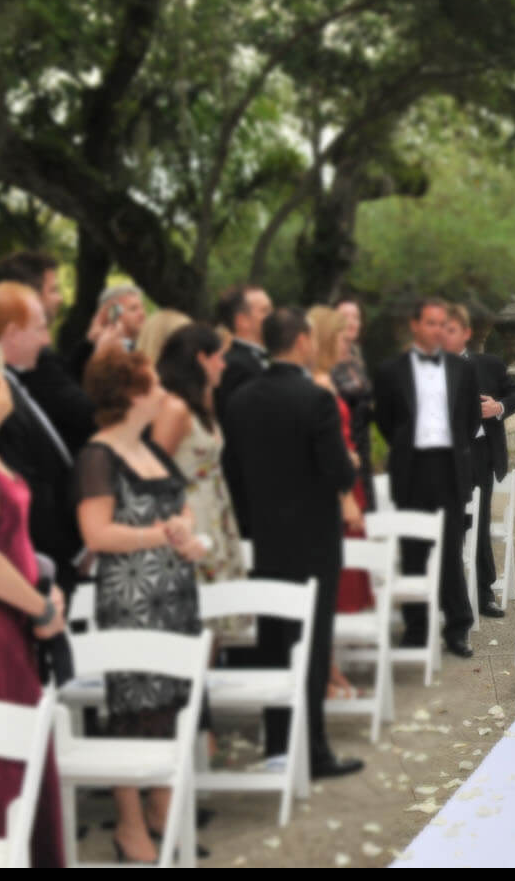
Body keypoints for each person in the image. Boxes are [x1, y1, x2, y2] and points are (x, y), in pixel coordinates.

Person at [74, 346, 207, 864]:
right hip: (130, 600)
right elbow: (97, 533)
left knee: (170, 704)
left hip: (174, 595)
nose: (163, 396)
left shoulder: (152, 449)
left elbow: (184, 509)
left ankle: (162, 812)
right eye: (153, 387)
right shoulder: (97, 454)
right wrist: (160, 535)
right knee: (132, 708)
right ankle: (130, 826)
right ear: (129, 395)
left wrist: (187, 533)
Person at [221, 307, 363, 780]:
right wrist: (349, 465)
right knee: (313, 643)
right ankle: (315, 750)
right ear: (302, 341)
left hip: (263, 539)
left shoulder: (240, 399)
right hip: (314, 540)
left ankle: (278, 743)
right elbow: (337, 473)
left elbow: (233, 474)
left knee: (273, 643)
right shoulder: (314, 399)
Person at [0, 341, 67, 868]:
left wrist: (42, 580)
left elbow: (10, 538)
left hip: (12, 613)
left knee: (22, 753)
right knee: (2, 764)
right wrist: (42, 609)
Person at [373, 297, 480, 658]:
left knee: (451, 549)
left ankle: (457, 628)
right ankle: (417, 628)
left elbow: (470, 421)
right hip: (411, 469)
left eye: (441, 323)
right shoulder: (390, 371)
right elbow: (386, 421)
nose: (436, 330)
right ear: (415, 325)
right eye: (430, 323)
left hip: (449, 468)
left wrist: (454, 449)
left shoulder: (461, 369)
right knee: (413, 549)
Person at [0, 282, 85, 602]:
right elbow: (24, 488)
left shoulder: (15, 385)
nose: (47, 340)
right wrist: (68, 554)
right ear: (11, 332)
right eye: (39, 329)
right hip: (34, 566)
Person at [150, 323, 250, 642]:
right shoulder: (175, 408)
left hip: (215, 510)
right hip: (190, 513)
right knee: (197, 616)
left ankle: (203, 685)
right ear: (201, 358)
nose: (224, 364)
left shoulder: (200, 403)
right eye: (219, 357)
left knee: (215, 620)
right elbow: (153, 470)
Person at [442, 303, 515, 618]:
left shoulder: (489, 365)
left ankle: (483, 592)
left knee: (475, 521)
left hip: (479, 455)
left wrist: (499, 408)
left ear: (464, 334)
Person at [306, 305, 369, 701]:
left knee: (337, 583)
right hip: (338, 490)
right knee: (330, 583)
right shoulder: (319, 385)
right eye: (341, 337)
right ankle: (324, 672)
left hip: (348, 482)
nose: (348, 342)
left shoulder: (325, 379)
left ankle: (329, 668)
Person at [0, 250, 97, 455]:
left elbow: (61, 383)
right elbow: (86, 415)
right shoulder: (30, 365)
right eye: (54, 290)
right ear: (30, 299)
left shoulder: (25, 366)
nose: (60, 299)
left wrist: (90, 344)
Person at [333, 297, 377, 511]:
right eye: (345, 317)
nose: (351, 322)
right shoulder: (326, 360)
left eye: (356, 317)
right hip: (340, 450)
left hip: (363, 449)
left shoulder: (357, 357)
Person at [213, 285, 272, 431]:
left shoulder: (254, 360)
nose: (274, 316)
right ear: (242, 321)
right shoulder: (236, 366)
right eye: (265, 311)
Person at [68, 284, 146, 383]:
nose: (142, 314)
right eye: (134, 309)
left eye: (142, 308)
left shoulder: (146, 349)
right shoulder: (88, 355)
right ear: (111, 314)